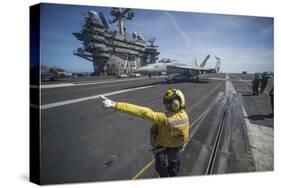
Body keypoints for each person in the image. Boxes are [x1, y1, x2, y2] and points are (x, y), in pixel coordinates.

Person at [100, 88, 189, 177]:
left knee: (163, 174)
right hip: (177, 151)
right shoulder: (184, 115)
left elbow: (143, 112)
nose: (166, 107)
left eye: (169, 104)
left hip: (164, 153)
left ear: (176, 104)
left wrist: (115, 105)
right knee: (174, 172)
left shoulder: (165, 119)